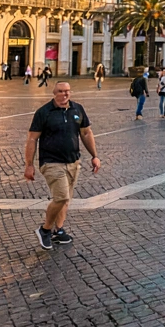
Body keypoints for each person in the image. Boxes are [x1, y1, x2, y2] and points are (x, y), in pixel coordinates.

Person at [24, 82, 100, 249]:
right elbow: (32, 138)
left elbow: (86, 133)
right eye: (60, 91)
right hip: (51, 162)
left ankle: (58, 231)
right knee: (62, 197)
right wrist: (29, 165)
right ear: (54, 93)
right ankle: (45, 230)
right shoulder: (44, 112)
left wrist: (94, 156)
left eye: (67, 91)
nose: (64, 94)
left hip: (73, 162)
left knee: (66, 200)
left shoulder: (77, 109)